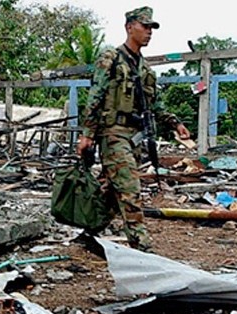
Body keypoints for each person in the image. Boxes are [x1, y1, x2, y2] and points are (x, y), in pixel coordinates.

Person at [76, 6, 190, 251]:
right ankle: (142, 248)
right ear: (130, 27)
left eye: (151, 28)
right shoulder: (111, 58)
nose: (149, 32)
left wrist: (175, 123)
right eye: (145, 26)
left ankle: (89, 233)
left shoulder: (145, 68)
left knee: (110, 190)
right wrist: (87, 134)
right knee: (129, 188)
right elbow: (95, 95)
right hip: (113, 133)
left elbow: (156, 103)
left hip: (134, 136)